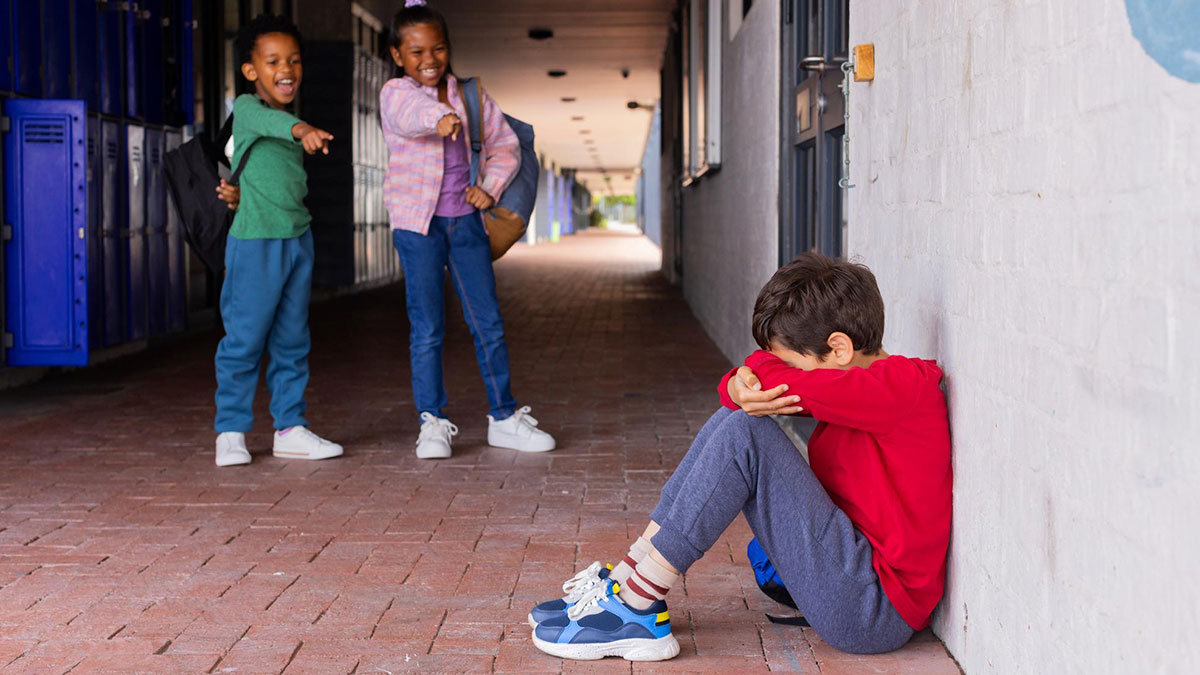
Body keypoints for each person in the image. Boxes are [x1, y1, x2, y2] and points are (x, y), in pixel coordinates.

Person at [528, 253, 952, 661]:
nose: (785, 371)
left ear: (839, 349)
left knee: (748, 429)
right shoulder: (853, 386)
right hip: (854, 581)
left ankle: (639, 603)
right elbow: (758, 371)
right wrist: (735, 387)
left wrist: (741, 383)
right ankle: (629, 579)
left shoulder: (902, 387)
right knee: (738, 418)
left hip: (873, 609)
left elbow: (762, 373)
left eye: (792, 363)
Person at [379, 0, 555, 459]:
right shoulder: (396, 93)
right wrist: (437, 120)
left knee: (488, 323)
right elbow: (408, 113)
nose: (429, 60)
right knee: (427, 327)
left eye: (437, 48)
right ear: (398, 56)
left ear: (448, 48)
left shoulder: (470, 96)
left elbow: (506, 147)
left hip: (465, 224)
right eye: (416, 52)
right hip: (417, 227)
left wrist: (490, 188)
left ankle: (503, 417)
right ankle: (432, 421)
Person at [212, 14, 343, 467]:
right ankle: (230, 431)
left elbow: (271, 178)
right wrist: (302, 129)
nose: (286, 69)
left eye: (293, 60)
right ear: (251, 71)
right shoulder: (249, 109)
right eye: (272, 62)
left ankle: (289, 428)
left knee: (292, 340)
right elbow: (270, 123)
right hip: (255, 244)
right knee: (244, 339)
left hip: (297, 240)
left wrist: (241, 193)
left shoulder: (287, 119)